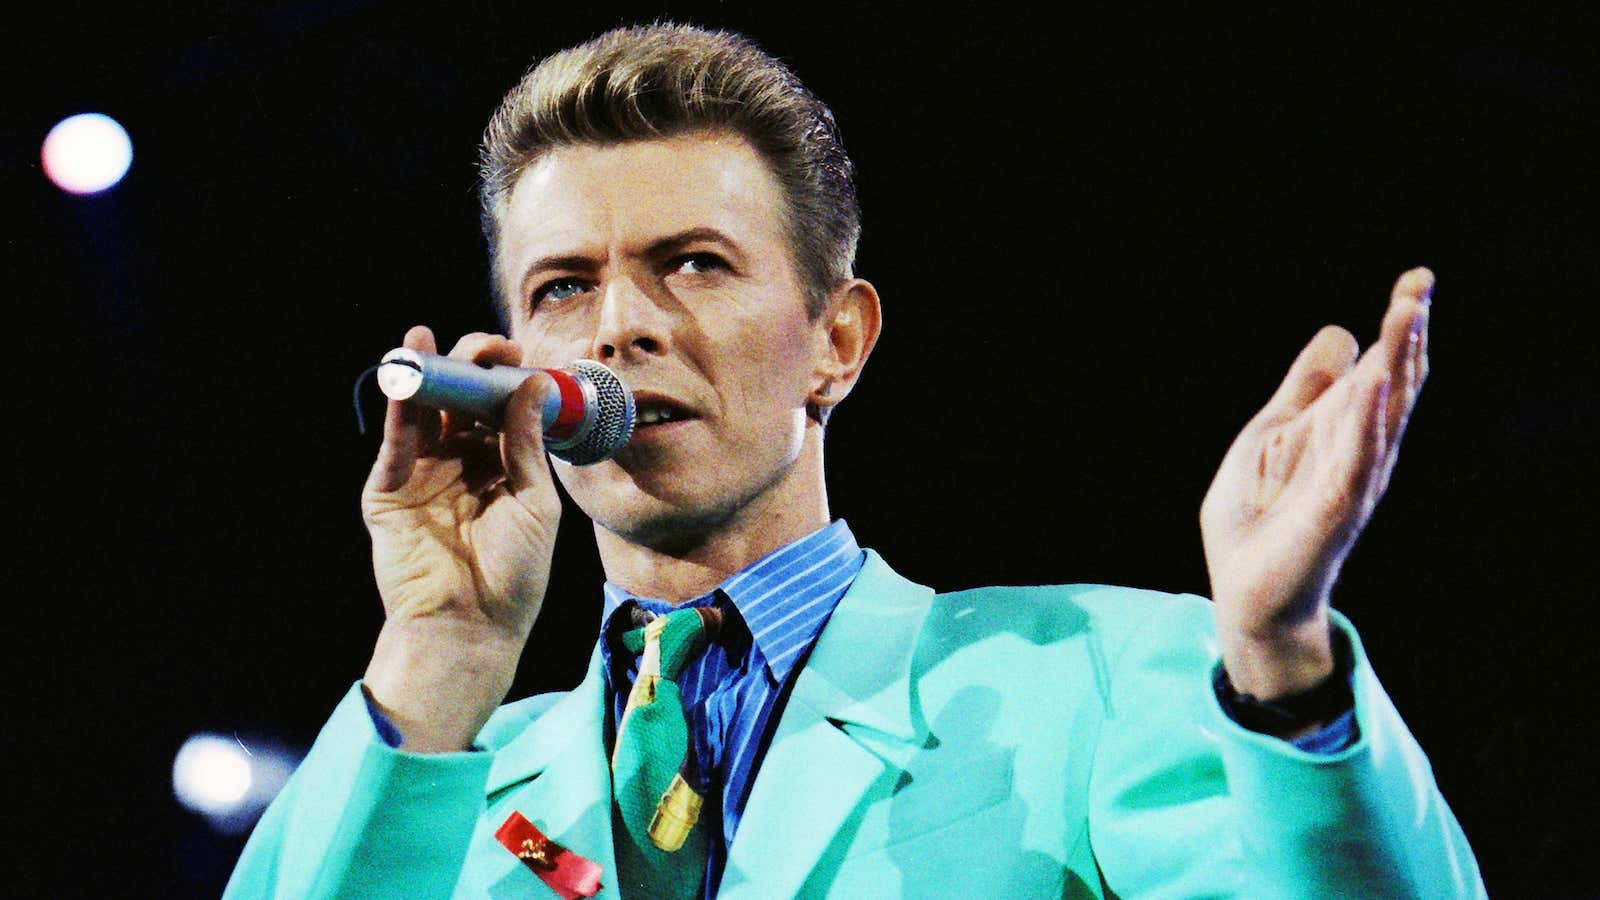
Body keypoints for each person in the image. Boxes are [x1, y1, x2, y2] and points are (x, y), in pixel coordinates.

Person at [226, 23, 1485, 899]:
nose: (619, 326)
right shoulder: (440, 771)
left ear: (837, 341)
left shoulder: (1108, 679)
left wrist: (1281, 666)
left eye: (694, 264)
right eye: (564, 287)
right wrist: (439, 653)